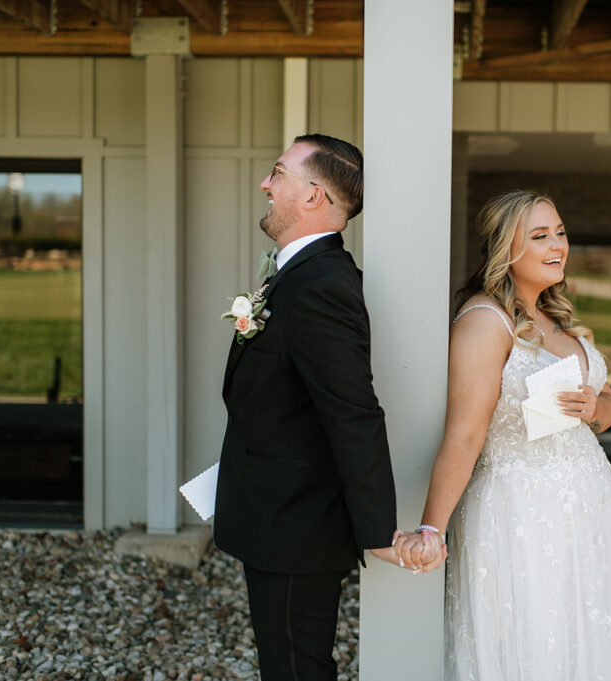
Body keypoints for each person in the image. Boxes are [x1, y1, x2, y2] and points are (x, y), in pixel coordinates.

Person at [396, 190, 611, 680]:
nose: (557, 244)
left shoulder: (556, 316)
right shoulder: (485, 321)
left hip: (587, 506)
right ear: (506, 249)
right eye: (540, 236)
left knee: (591, 638)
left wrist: (592, 406)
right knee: (531, 642)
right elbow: (464, 434)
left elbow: (609, 407)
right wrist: (431, 528)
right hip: (520, 509)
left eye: (559, 231)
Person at [213, 133, 406, 681]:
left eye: (277, 172)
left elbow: (353, 412)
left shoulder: (322, 285)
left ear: (314, 196)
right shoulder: (296, 277)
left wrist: (376, 529)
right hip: (277, 517)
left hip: (297, 526)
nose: (265, 184)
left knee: (297, 670)